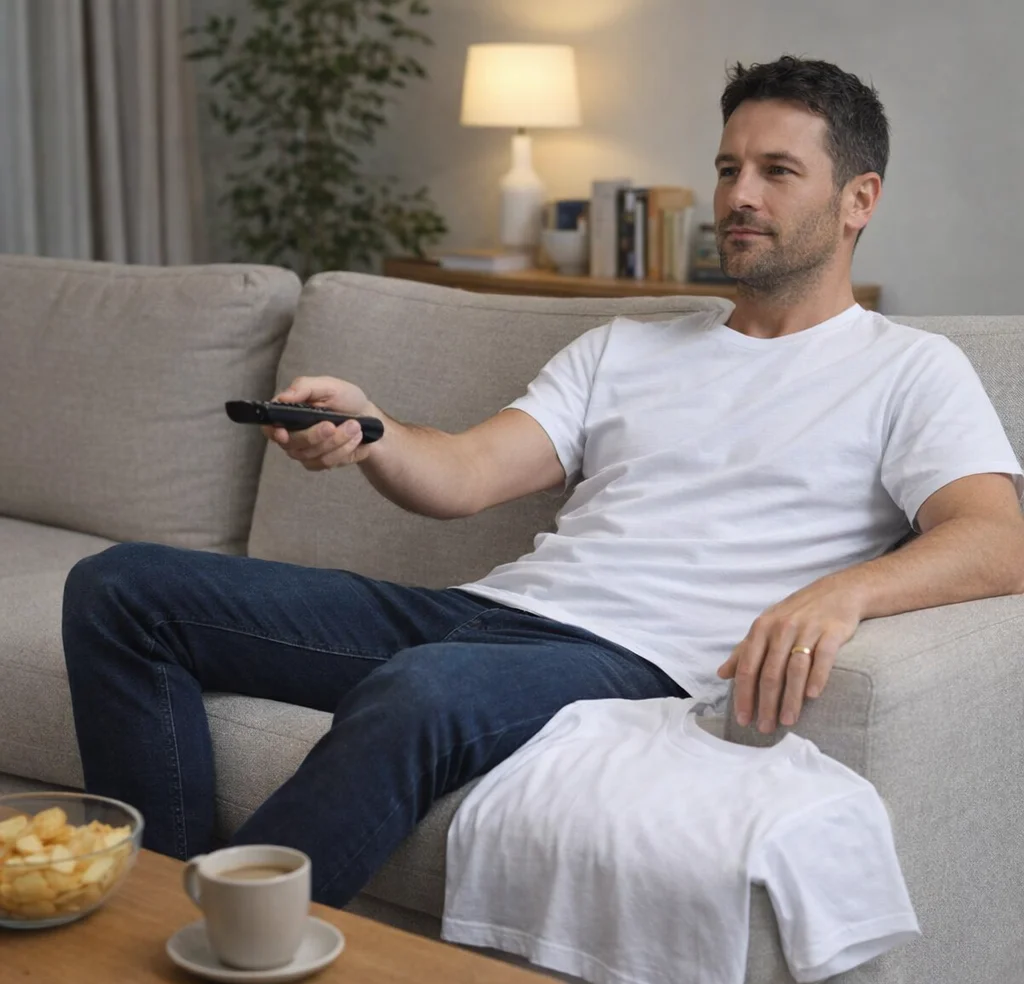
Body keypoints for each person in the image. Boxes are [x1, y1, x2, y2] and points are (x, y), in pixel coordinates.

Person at [62, 56, 1024, 909]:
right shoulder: (628, 347)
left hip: (634, 664)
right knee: (121, 589)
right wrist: (373, 429)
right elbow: (469, 474)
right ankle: (152, 902)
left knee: (422, 690)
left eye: (778, 172)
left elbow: (997, 537)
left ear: (859, 199)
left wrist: (843, 592)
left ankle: (214, 947)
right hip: (489, 616)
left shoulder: (907, 368)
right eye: (729, 167)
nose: (739, 195)